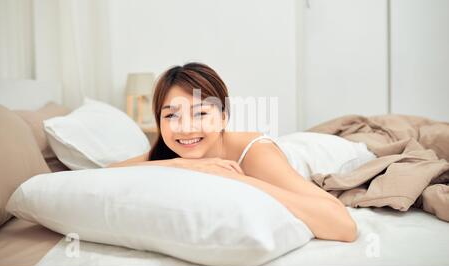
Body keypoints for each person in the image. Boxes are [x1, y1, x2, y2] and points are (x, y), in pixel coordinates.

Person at [109, 62, 358, 242]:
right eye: (171, 115)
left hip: (322, 151)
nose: (185, 128)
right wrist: (181, 165)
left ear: (223, 118)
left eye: (201, 113)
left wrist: (240, 180)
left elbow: (344, 226)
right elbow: (103, 175)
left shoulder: (256, 154)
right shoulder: (169, 153)